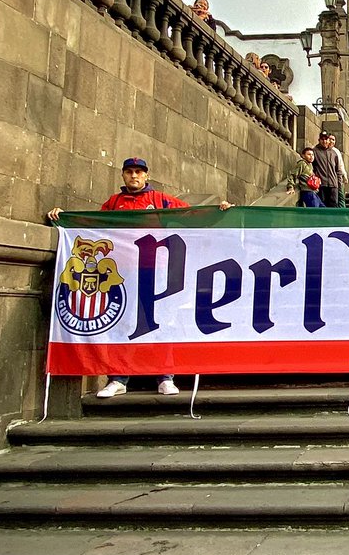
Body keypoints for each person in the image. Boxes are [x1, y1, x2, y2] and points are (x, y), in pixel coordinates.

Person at [47, 156, 231, 399]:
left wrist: (218, 210)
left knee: (160, 321)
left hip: (155, 269)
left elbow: (190, 213)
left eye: (139, 172)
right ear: (123, 175)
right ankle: (118, 378)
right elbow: (92, 224)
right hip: (123, 274)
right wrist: (63, 217)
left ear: (146, 175)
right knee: (122, 323)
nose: (134, 176)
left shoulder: (160, 200)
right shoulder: (114, 203)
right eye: (129, 172)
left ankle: (165, 375)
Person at [312, 131, 347, 208]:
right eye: (322, 139)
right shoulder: (314, 151)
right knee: (323, 206)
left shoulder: (334, 153)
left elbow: (338, 170)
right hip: (321, 185)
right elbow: (312, 168)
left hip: (333, 184)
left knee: (334, 205)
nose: (324, 141)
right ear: (319, 140)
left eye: (326, 139)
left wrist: (339, 184)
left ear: (329, 140)